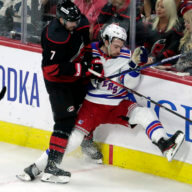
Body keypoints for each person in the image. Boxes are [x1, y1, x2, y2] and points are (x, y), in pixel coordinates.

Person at [17, 23, 184, 184]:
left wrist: (134, 65)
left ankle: (164, 144)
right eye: (116, 46)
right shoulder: (89, 50)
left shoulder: (126, 55)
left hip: (118, 105)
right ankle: (37, 167)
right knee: (73, 139)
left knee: (144, 114)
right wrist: (87, 74)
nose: (120, 49)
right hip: (92, 106)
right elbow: (72, 69)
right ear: (106, 40)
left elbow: (130, 83)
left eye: (121, 46)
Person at [16, 0, 105, 183]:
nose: (75, 23)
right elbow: (52, 70)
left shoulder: (79, 23)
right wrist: (83, 69)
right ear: (61, 19)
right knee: (65, 122)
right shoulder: (54, 35)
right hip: (58, 83)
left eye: (76, 19)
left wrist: (91, 62)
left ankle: (85, 142)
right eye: (71, 21)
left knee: (82, 111)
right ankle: (51, 168)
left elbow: (86, 45)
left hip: (76, 80)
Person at [144, 0, 183, 69]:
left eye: (162, 7)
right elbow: (146, 45)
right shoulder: (151, 24)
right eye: (157, 6)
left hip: (166, 65)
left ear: (170, 9)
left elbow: (170, 51)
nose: (158, 9)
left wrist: (153, 59)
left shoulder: (176, 28)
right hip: (149, 61)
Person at [174, 9, 192, 74]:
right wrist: (170, 67)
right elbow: (182, 60)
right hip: (182, 72)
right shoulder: (187, 38)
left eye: (188, 22)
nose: (185, 25)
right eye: (185, 22)